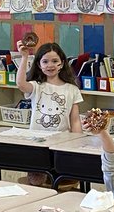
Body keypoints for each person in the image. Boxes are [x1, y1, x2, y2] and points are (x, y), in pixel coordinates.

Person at [17, 40, 82, 185]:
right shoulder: (37, 86)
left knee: (61, 181)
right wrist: (24, 57)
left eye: (54, 61)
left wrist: (78, 143)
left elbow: (75, 119)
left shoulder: (72, 89)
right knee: (37, 182)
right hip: (38, 145)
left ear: (62, 63)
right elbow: (21, 84)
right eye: (45, 61)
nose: (50, 65)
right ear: (39, 65)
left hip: (62, 144)